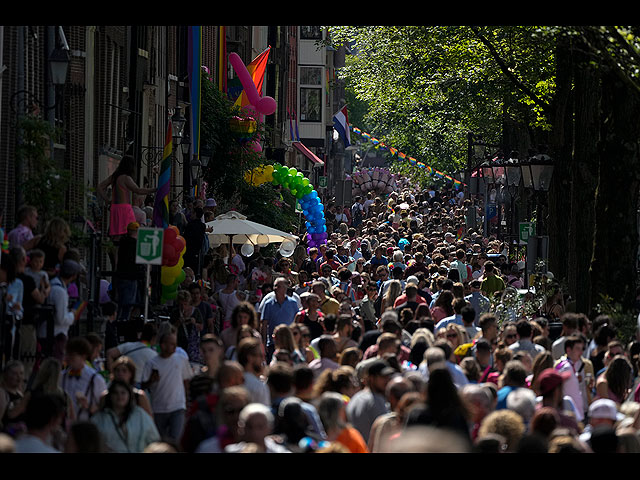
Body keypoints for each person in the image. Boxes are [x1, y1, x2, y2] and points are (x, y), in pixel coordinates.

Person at [141, 325, 194, 443]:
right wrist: (151, 380)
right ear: (162, 344)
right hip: (158, 407)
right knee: (160, 440)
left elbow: (186, 381)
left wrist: (186, 401)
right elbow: (143, 385)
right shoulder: (152, 363)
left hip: (178, 406)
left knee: (175, 439)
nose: (173, 347)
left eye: (174, 344)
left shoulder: (181, 360)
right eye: (170, 344)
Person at [91, 380, 160, 453]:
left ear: (129, 395)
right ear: (110, 396)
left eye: (123, 393)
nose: (119, 396)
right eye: (115, 393)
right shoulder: (100, 418)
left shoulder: (140, 415)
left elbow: (154, 440)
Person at [97, 155, 157, 238]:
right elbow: (138, 190)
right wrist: (155, 189)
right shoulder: (126, 178)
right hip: (124, 209)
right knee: (131, 233)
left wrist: (107, 199)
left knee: (116, 235)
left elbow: (100, 187)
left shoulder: (115, 177)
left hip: (114, 208)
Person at [41, 259, 83, 361]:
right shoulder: (60, 292)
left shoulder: (53, 285)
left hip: (47, 332)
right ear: (73, 275)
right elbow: (61, 318)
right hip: (56, 335)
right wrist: (73, 314)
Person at [346, 359, 394, 444]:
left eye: (388, 376)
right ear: (371, 378)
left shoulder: (356, 397)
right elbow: (385, 434)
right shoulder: (375, 400)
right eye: (383, 377)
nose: (387, 380)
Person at [60, 336, 108, 421]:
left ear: (83, 356)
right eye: (66, 354)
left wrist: (88, 406)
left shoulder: (96, 379)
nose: (67, 359)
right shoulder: (61, 377)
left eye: (72, 355)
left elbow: (105, 409)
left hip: (87, 427)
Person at [106, 321, 158, 387]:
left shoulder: (128, 346)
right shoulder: (154, 355)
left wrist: (112, 373)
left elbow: (109, 353)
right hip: (138, 385)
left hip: (123, 382)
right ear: (153, 338)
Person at [260, 277, 300, 361]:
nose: (275, 288)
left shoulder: (293, 303)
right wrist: (263, 342)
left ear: (285, 288)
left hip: (289, 343)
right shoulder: (268, 304)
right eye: (274, 286)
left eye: (278, 286)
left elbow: (297, 322)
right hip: (272, 343)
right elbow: (264, 324)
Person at [224, 403, 290, 453]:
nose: (254, 432)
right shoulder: (230, 451)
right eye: (249, 426)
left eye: (260, 427)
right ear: (241, 427)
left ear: (269, 428)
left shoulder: (280, 451)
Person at [114, 222, 143, 321]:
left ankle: (117, 321)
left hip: (121, 275)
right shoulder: (135, 245)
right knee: (128, 304)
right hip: (131, 277)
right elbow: (136, 261)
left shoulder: (122, 242)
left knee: (121, 303)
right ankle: (123, 322)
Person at [237, 337, 270, 406]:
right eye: (260, 356)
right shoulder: (259, 387)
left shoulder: (233, 382)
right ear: (250, 358)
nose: (263, 360)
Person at [0, 361, 27, 434]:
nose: (19, 377)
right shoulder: (2, 393)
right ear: (6, 375)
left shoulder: (19, 392)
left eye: (21, 373)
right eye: (14, 373)